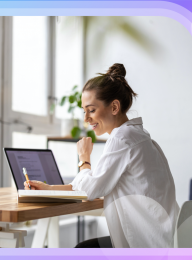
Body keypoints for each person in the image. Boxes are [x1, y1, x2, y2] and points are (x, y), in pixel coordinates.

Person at [24, 63, 180, 248]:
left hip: (147, 244)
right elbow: (96, 184)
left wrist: (84, 158)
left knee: (83, 250)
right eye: (84, 111)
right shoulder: (138, 136)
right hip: (164, 239)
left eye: (91, 110)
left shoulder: (122, 139)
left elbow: (89, 190)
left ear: (114, 107)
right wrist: (49, 189)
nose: (86, 119)